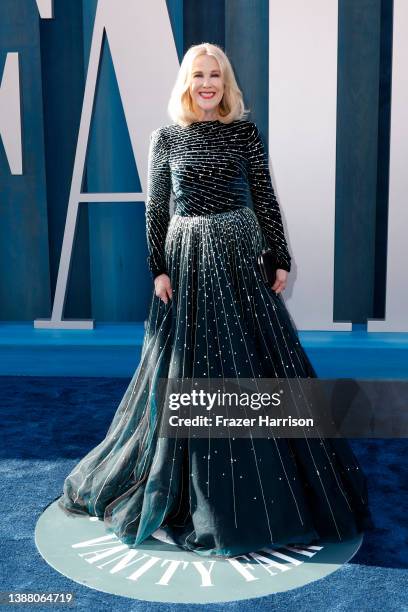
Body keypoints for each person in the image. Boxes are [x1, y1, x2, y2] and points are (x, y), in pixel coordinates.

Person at [57, 42, 374, 558]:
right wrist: (156, 268)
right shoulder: (166, 138)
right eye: (199, 75)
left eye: (216, 76)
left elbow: (264, 195)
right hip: (187, 260)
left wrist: (280, 255)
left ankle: (274, 483)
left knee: (257, 362)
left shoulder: (244, 132)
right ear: (186, 83)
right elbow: (156, 209)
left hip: (238, 253)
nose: (207, 84)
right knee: (186, 367)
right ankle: (191, 487)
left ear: (226, 84)